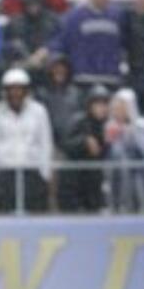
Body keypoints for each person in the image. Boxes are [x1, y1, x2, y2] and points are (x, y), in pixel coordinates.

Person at [0, 68, 52, 213]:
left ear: (26, 91)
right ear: (5, 91)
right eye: (11, 89)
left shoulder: (39, 111)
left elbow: (45, 143)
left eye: (20, 89)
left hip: (31, 171)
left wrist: (45, 173)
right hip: (5, 172)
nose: (16, 93)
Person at [104, 88, 144, 214]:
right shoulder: (110, 127)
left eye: (122, 107)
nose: (118, 110)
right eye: (116, 107)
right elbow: (110, 155)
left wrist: (130, 133)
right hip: (120, 179)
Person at [54, 0, 124, 88]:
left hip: (110, 77)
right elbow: (65, 40)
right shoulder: (75, 17)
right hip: (84, 77)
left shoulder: (117, 16)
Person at [58, 84, 109, 212]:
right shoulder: (79, 121)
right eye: (97, 104)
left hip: (95, 183)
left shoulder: (108, 125)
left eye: (104, 104)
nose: (101, 108)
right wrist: (84, 141)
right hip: (74, 182)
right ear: (89, 105)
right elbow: (66, 144)